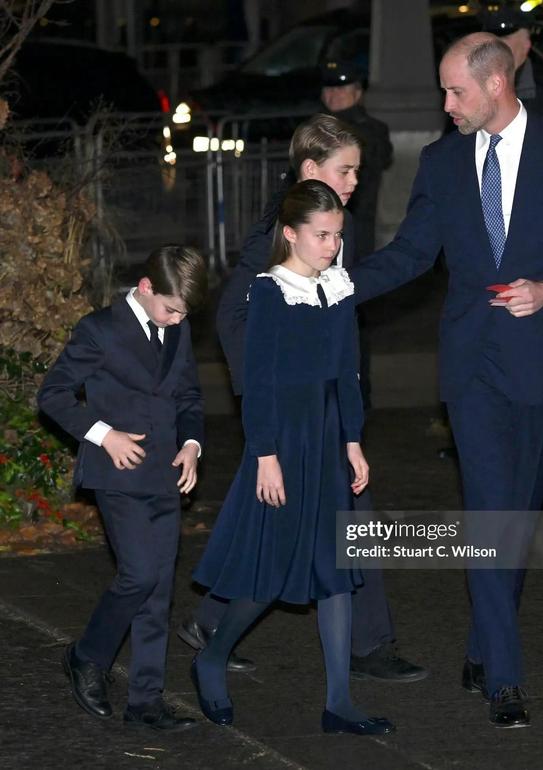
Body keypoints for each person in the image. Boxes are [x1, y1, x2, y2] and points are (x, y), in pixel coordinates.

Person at [349, 33, 543, 728]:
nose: (446, 105)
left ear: (498, 85)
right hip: (472, 367)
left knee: (517, 522)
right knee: (489, 520)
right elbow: (414, 253)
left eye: (456, 92)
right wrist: (329, 285)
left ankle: (482, 647)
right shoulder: (444, 163)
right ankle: (504, 680)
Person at [179, 114, 427, 684]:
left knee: (304, 523)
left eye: (359, 171)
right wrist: (266, 401)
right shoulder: (281, 230)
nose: (356, 181)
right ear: (312, 170)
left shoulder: (334, 226)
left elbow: (341, 297)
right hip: (290, 408)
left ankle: (216, 623)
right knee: (310, 523)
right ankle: (363, 646)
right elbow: (236, 315)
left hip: (326, 403)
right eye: (347, 170)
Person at [190, 180, 395, 736]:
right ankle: (212, 655)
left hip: (329, 440)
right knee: (268, 571)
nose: (331, 244)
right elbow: (257, 385)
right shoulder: (271, 293)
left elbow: (348, 370)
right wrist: (266, 455)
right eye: (321, 234)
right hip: (284, 439)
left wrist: (353, 441)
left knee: (335, 571)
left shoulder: (340, 288)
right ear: (290, 234)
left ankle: (339, 702)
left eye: (337, 235)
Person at [38, 245, 207, 732]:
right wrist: (103, 434)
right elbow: (53, 394)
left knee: (158, 588)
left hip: (165, 476)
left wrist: (192, 443)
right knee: (137, 575)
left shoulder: (179, 328)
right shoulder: (100, 330)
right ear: (147, 287)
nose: (176, 321)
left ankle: (146, 700)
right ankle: (87, 655)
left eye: (184, 314)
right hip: (116, 475)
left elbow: (190, 394)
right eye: (171, 309)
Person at [320, 60, 394, 409]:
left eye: (342, 88)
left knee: (350, 318)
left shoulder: (368, 131)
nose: (334, 95)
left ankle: (355, 398)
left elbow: (375, 158)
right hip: (317, 237)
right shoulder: (318, 128)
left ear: (358, 92)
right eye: (329, 88)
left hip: (354, 238)